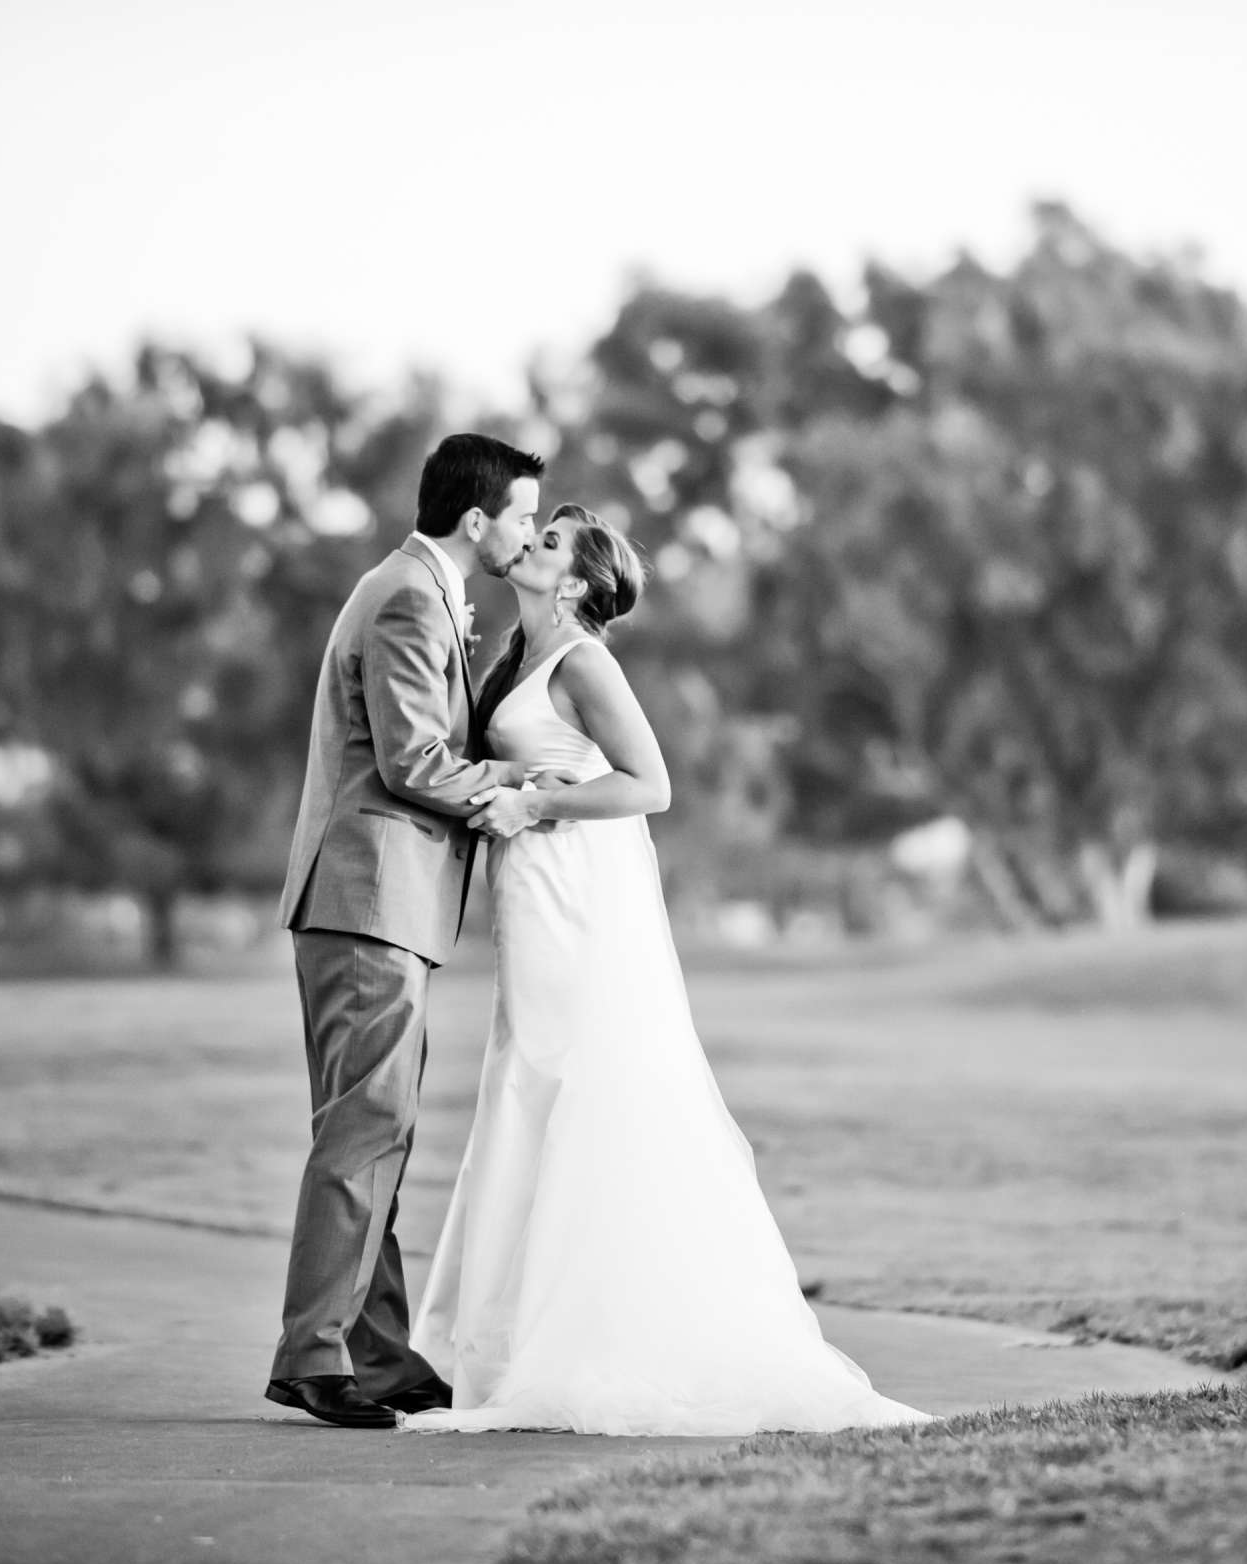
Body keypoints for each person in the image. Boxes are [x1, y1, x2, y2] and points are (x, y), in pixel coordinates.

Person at [405, 504, 928, 1435]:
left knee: (574, 1082)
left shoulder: (583, 662)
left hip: (570, 892)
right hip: (526, 901)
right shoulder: (510, 662)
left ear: (574, 582)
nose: (530, 543)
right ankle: (503, 1345)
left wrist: (533, 807)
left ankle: (587, 1343)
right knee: (525, 1083)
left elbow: (652, 785)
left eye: (551, 541)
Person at [263, 432, 558, 1428]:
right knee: (365, 1127)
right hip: (369, 901)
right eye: (523, 514)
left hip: (378, 903)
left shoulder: (415, 588)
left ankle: (377, 1353)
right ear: (477, 522)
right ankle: (313, 1355)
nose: (529, 531)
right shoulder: (406, 597)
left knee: (378, 1127)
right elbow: (413, 764)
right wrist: (524, 783)